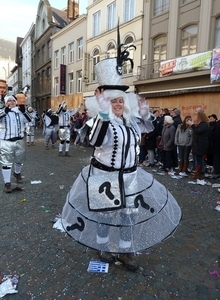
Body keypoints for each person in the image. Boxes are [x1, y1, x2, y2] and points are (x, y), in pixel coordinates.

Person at [61, 34, 181, 271]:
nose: (118, 105)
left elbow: (150, 128)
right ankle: (103, 246)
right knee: (105, 215)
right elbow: (93, 141)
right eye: (113, 101)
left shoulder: (131, 121)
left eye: (121, 101)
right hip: (103, 175)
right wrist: (104, 114)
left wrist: (145, 112)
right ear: (106, 102)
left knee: (129, 215)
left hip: (130, 175)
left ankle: (126, 251)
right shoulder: (100, 120)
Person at [0, 94, 32, 192]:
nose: (12, 102)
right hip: (6, 142)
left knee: (20, 160)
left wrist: (24, 111)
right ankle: (7, 183)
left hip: (19, 141)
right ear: (5, 103)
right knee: (6, 163)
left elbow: (30, 120)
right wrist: (5, 111)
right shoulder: (2, 112)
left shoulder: (20, 112)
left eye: (13, 100)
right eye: (9, 101)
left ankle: (17, 173)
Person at [186, 111, 209, 179]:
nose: (194, 116)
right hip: (197, 144)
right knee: (196, 159)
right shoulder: (199, 124)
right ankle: (196, 172)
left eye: (196, 115)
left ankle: (198, 173)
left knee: (199, 159)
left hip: (200, 145)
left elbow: (198, 131)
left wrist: (192, 125)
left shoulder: (204, 124)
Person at [212, 110, 220, 178]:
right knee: (216, 158)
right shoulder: (218, 122)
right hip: (217, 143)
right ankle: (217, 171)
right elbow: (213, 131)